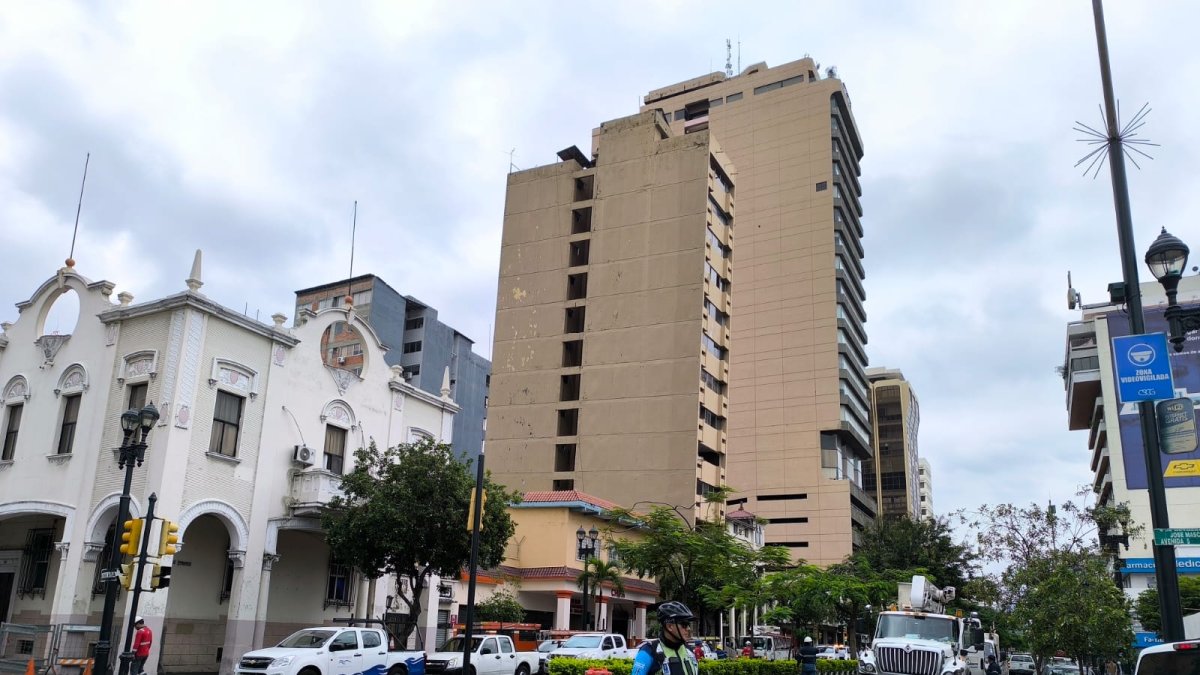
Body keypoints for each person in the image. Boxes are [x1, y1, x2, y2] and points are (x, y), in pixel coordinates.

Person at [631, 602, 699, 675]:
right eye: (684, 624)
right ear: (669, 626)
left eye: (688, 625)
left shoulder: (689, 651)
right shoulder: (649, 651)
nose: (688, 628)